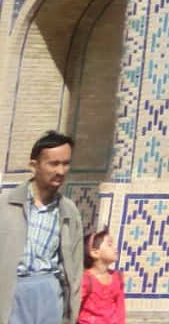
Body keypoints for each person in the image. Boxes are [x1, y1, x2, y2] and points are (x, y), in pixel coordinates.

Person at [1, 130, 85, 324]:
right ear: (34, 166)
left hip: (49, 293)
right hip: (12, 291)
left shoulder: (69, 212)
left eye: (66, 164)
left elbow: (75, 266)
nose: (61, 171)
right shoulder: (6, 206)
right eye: (54, 164)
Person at [74, 232, 121, 324]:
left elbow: (120, 311)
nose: (115, 248)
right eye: (109, 244)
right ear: (95, 253)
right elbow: (74, 307)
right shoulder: (86, 280)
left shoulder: (117, 277)